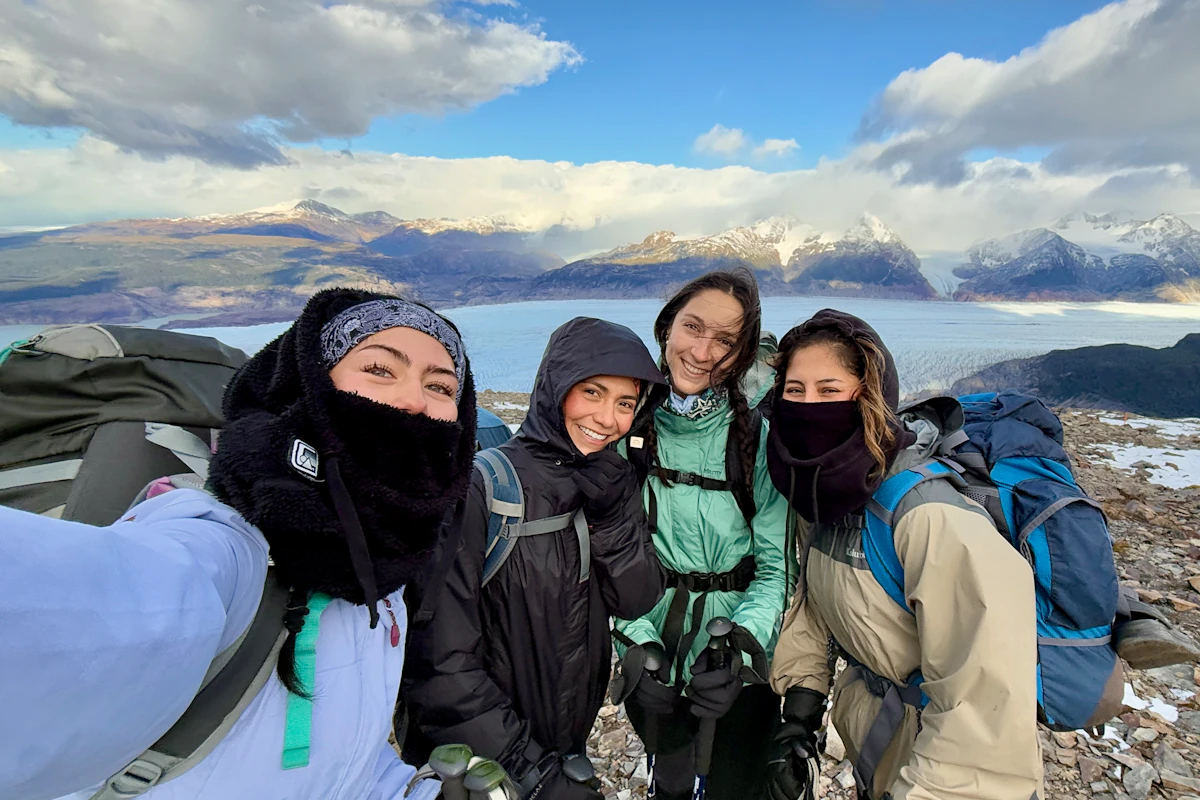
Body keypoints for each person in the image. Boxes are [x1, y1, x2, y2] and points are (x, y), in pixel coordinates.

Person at [0, 289, 479, 800]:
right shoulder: (223, 544)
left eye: (441, 386)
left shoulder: (382, 581)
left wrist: (408, 790)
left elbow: (338, 762)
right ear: (308, 385)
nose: (413, 400)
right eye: (380, 370)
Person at [764, 309, 1042, 800]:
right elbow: (816, 604)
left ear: (869, 396)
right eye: (795, 390)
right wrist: (801, 713)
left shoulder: (928, 516)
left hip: (943, 764)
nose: (809, 406)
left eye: (830, 391)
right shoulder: (826, 496)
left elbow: (985, 705)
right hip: (882, 733)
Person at [402, 317, 669, 800]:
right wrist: (530, 770)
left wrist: (612, 520)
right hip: (484, 766)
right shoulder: (482, 488)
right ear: (554, 387)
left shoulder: (609, 482)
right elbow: (440, 664)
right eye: (592, 392)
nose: (609, 419)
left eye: (625, 403)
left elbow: (636, 598)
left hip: (566, 739)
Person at [613, 268, 792, 800]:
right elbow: (609, 555)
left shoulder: (759, 441)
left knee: (737, 781)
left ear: (740, 355)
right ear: (667, 328)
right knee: (668, 771)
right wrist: (635, 643)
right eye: (693, 327)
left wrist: (742, 646)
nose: (703, 350)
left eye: (725, 340)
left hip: (734, 656)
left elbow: (777, 567)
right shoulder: (625, 428)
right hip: (655, 648)